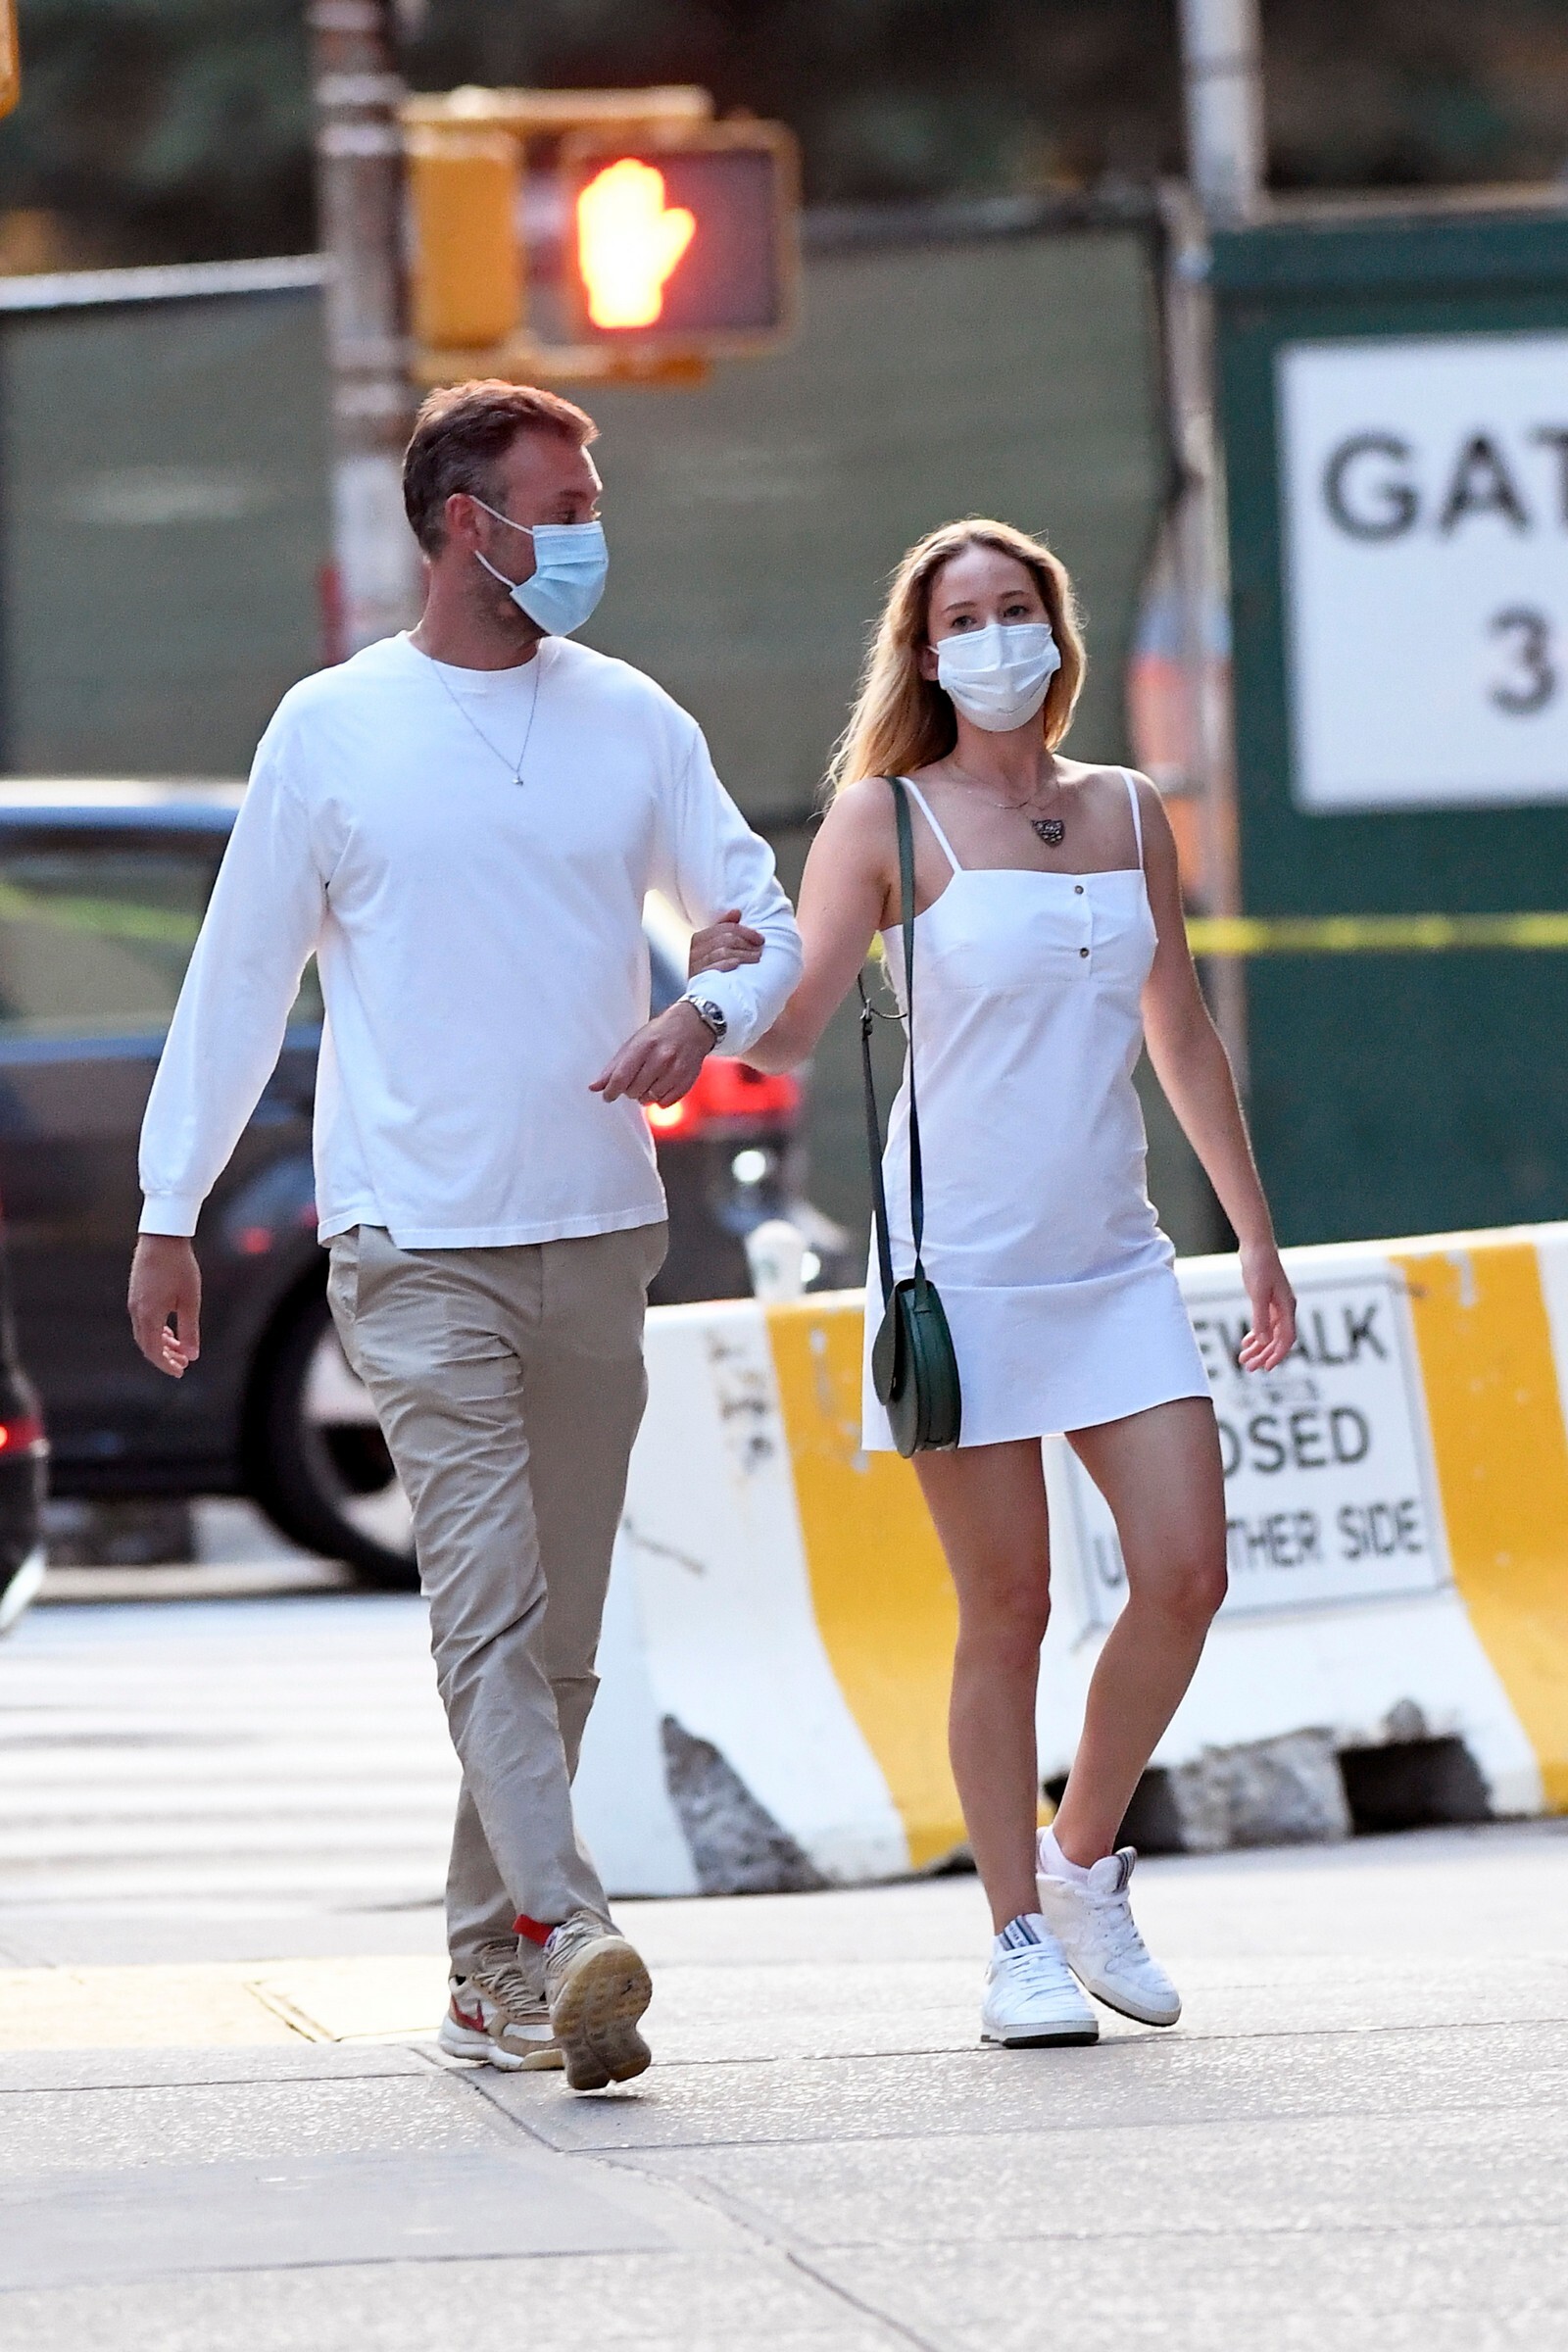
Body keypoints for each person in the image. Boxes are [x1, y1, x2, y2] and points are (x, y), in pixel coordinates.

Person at [127, 379, 802, 2090]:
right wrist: (168, 1206)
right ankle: (567, 1932)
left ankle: (485, 1974)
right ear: (462, 523)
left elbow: (760, 921)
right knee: (488, 1606)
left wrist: (705, 1013)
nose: (588, 536)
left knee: (558, 1639)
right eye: (560, 509)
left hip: (599, 1228)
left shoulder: (632, 718)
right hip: (412, 1236)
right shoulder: (332, 729)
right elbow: (237, 981)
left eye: (592, 507)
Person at [743, 518, 1296, 2048]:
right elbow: (790, 1025)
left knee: (1186, 1573)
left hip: (1112, 1257)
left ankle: (1082, 1864)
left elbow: (1180, 1027)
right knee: (1010, 1606)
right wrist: (702, 1000)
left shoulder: (1128, 807)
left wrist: (1253, 1234)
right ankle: (1014, 1946)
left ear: (1057, 629)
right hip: (959, 1268)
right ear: (925, 655)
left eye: (1015, 607)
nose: (995, 637)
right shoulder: (884, 818)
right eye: (963, 618)